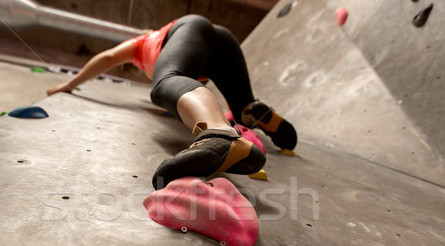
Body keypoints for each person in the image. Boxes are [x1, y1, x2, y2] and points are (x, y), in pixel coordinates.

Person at [47, 14, 297, 190]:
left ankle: (220, 135)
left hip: (191, 26)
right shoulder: (185, 52)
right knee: (244, 110)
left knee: (165, 82)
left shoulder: (142, 44)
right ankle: (254, 112)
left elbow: (108, 56)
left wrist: (69, 83)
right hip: (221, 41)